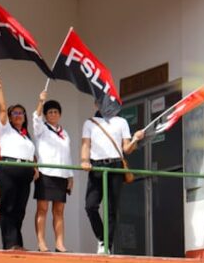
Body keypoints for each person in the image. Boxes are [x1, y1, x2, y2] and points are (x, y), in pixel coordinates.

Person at [81, 104, 145, 254]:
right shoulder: (90, 122)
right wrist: (84, 160)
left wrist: (136, 138)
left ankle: (107, 246)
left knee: (111, 208)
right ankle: (102, 238)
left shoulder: (121, 121)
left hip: (116, 165)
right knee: (90, 206)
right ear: (97, 104)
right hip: (97, 166)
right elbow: (85, 144)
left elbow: (127, 149)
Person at [0, 75, 37, 250]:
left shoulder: (26, 135)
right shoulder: (6, 130)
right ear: (11, 117)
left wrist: (35, 167)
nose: (18, 115)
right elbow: (2, 109)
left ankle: (17, 243)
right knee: (8, 208)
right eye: (15, 113)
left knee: (20, 210)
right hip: (9, 169)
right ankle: (10, 244)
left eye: (21, 113)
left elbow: (31, 154)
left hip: (25, 173)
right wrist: (0, 88)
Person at [32, 93, 73, 252]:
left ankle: (59, 243)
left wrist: (70, 176)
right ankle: (41, 242)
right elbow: (36, 117)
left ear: (60, 114)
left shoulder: (65, 133)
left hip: (62, 175)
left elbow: (67, 154)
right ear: (46, 115)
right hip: (45, 173)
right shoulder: (42, 129)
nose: (53, 114)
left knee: (59, 211)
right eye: (50, 112)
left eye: (56, 112)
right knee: (42, 209)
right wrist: (41, 101)